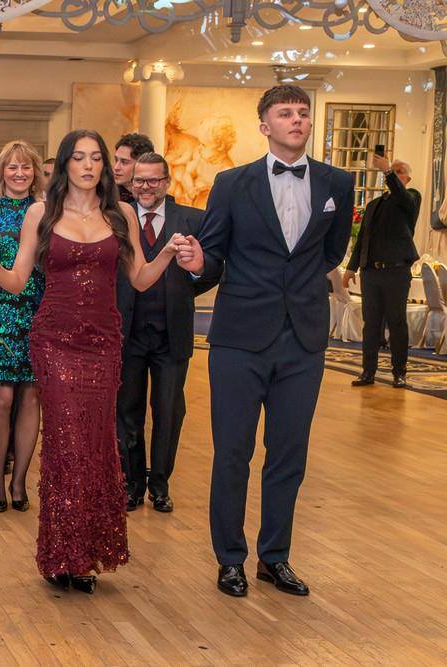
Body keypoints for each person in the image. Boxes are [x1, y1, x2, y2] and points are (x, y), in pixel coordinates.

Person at [0, 129, 198, 593]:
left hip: (103, 344)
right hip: (54, 341)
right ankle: (62, 553)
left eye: (96, 158)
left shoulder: (120, 213)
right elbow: (18, 280)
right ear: (65, 164)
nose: (88, 165)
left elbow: (140, 279)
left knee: (97, 443)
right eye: (78, 157)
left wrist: (168, 254)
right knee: (67, 442)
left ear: (104, 166)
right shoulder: (41, 212)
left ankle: (86, 552)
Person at [183, 85, 353, 598]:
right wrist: (198, 265)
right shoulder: (232, 184)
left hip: (303, 339)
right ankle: (230, 559)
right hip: (239, 338)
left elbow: (331, 252)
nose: (296, 120)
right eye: (285, 113)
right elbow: (213, 253)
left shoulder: (337, 183)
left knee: (289, 455)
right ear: (265, 126)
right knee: (232, 453)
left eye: (303, 113)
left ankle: (274, 558)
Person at [116, 152, 218, 514]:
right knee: (126, 411)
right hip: (126, 332)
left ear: (166, 182)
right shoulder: (117, 220)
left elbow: (212, 269)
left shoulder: (193, 219)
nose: (146, 187)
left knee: (169, 412)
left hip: (171, 332)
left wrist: (192, 275)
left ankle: (160, 485)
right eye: (139, 180)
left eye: (153, 180)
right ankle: (132, 484)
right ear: (131, 184)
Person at [0, 141, 46, 513]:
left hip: (38, 310)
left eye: (26, 167)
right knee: (1, 398)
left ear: (35, 172)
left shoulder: (46, 210)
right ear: (1, 171)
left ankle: (20, 482)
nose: (19, 173)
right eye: (12, 167)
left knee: (31, 397)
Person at [343, 155, 421, 388]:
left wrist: (387, 171)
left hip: (397, 271)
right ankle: (368, 372)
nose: (394, 174)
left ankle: (399, 372)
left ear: (407, 179)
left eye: (399, 172)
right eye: (392, 171)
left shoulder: (411, 198)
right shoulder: (373, 205)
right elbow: (363, 240)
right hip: (371, 273)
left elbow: (401, 196)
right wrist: (351, 268)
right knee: (371, 323)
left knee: (396, 322)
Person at [113, 133, 155, 204]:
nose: (116, 167)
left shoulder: (159, 200)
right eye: (116, 160)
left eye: (124, 162)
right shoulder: (105, 197)